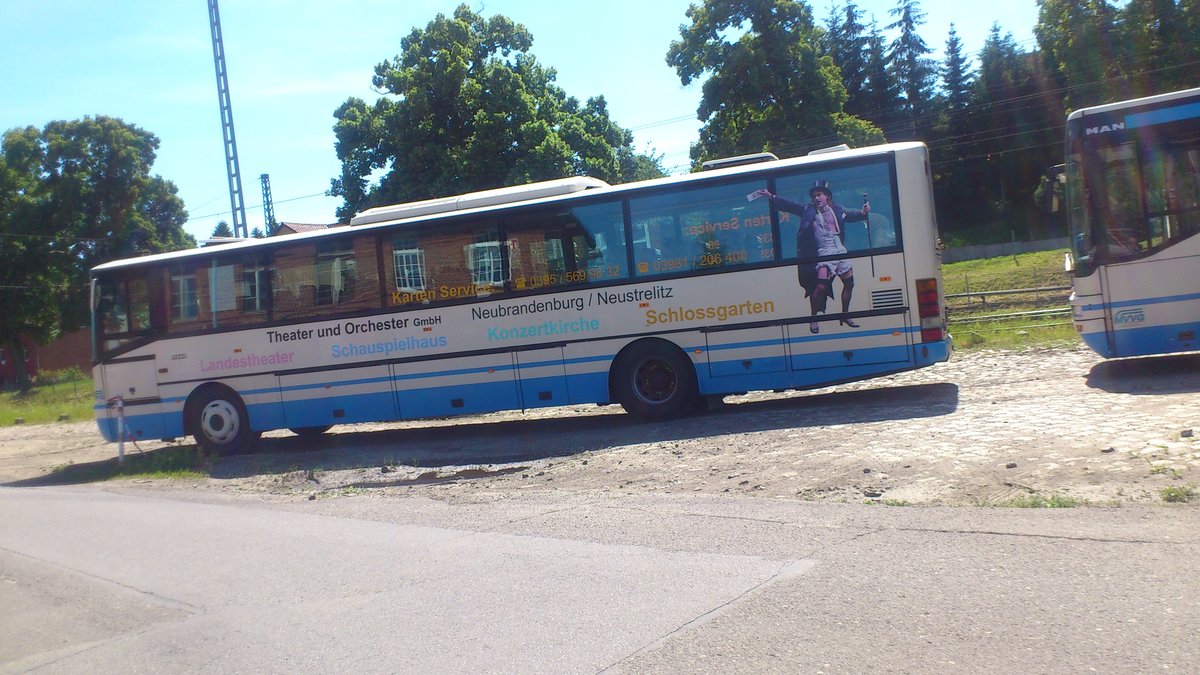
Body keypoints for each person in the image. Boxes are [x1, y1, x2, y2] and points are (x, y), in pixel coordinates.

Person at [752, 180, 870, 333]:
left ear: (827, 196)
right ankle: (813, 317)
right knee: (821, 286)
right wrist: (771, 196)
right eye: (814, 196)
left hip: (839, 249)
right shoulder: (808, 210)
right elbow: (791, 206)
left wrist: (863, 212)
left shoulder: (838, 209)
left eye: (819, 194)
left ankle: (845, 314)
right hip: (824, 251)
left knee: (849, 283)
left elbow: (855, 215)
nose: (816, 198)